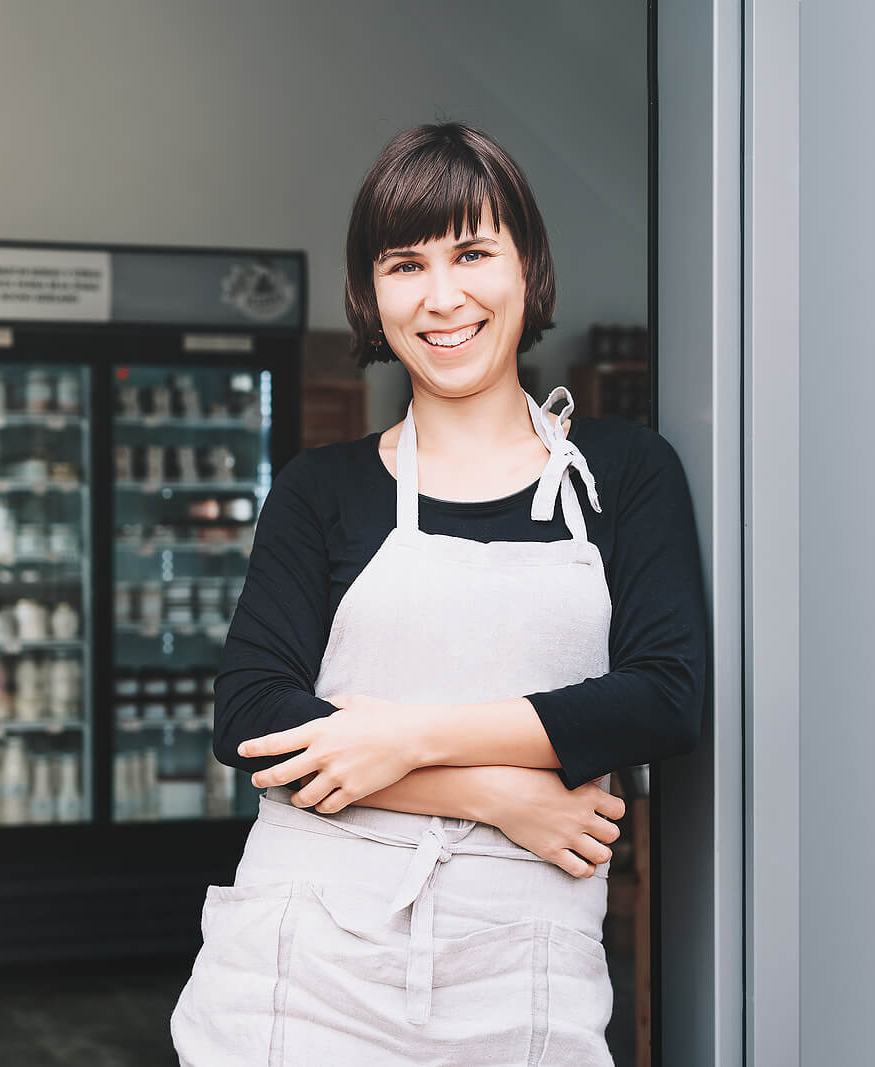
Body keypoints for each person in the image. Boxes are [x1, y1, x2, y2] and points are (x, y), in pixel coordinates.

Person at [170, 122, 706, 1065]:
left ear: (529, 266)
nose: (442, 295)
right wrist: (497, 795)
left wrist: (405, 736)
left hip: (523, 968)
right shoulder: (320, 488)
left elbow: (664, 696)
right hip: (304, 967)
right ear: (370, 298)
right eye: (405, 264)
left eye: (472, 251)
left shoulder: (624, 474)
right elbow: (252, 715)